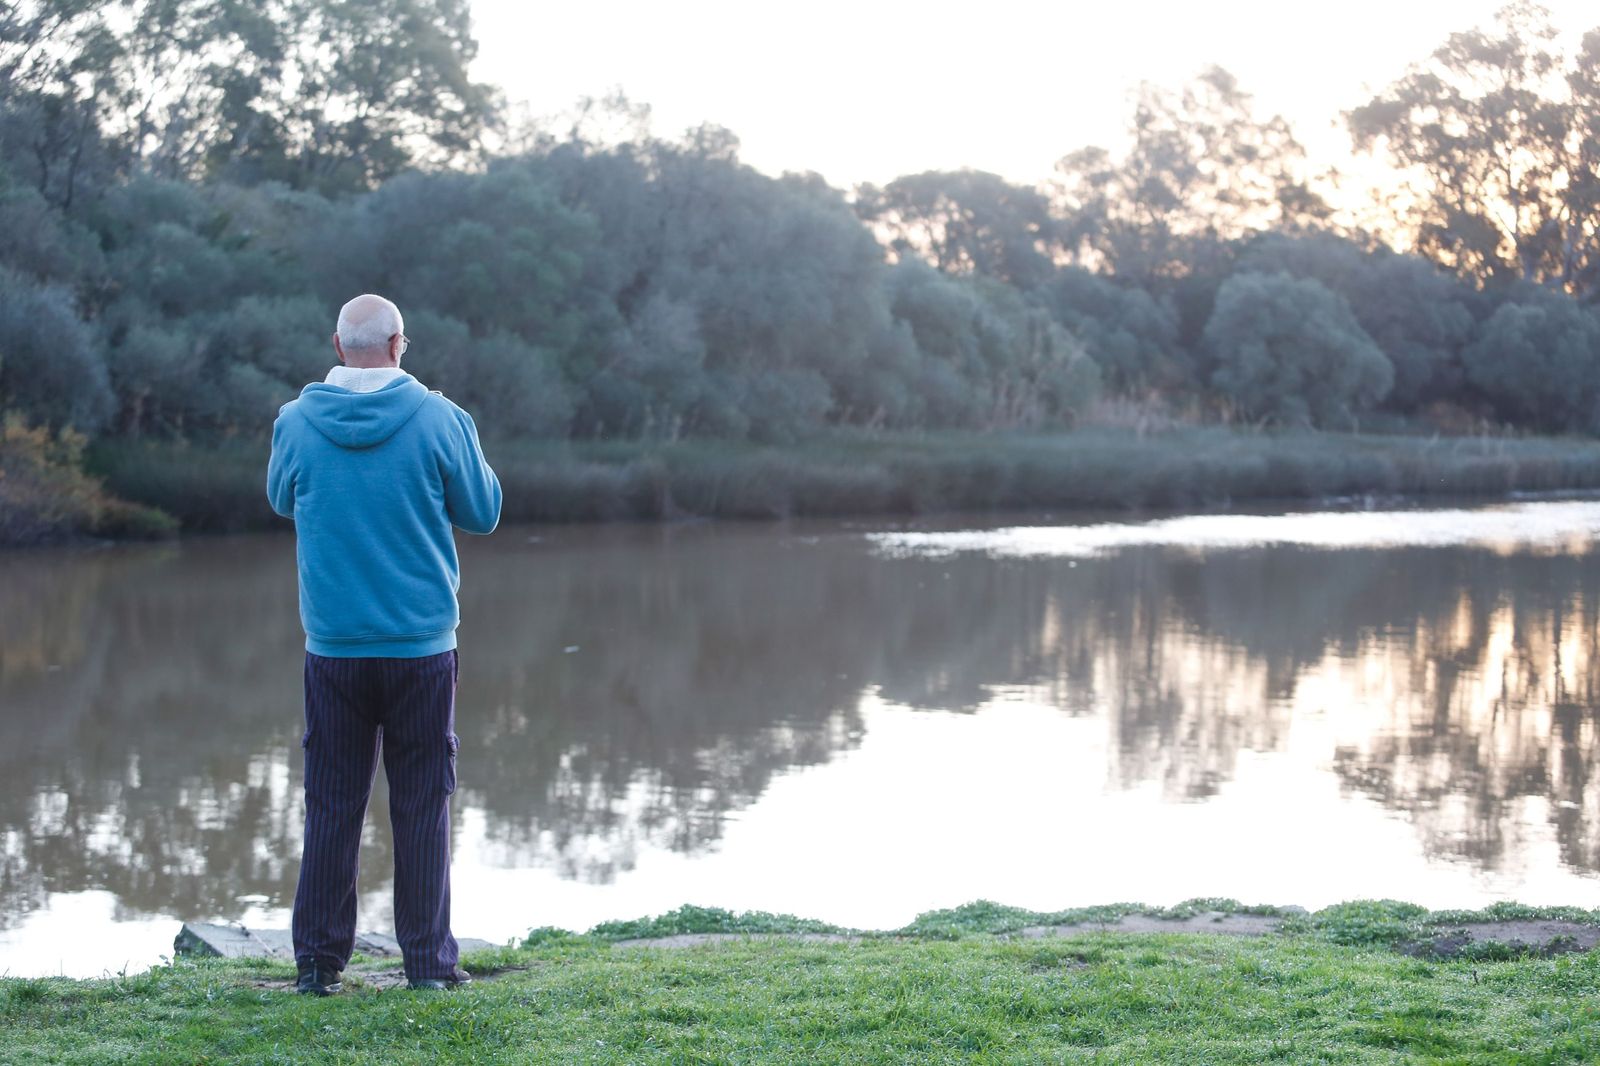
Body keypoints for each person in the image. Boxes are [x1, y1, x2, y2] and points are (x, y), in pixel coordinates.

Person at [266, 294, 502, 994]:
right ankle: (428, 968)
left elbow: (282, 498)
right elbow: (483, 512)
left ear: (337, 345)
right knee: (422, 807)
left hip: (333, 650)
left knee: (331, 804)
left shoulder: (295, 422)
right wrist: (462, 439)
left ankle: (316, 966)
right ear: (399, 343)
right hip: (421, 649)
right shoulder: (439, 417)